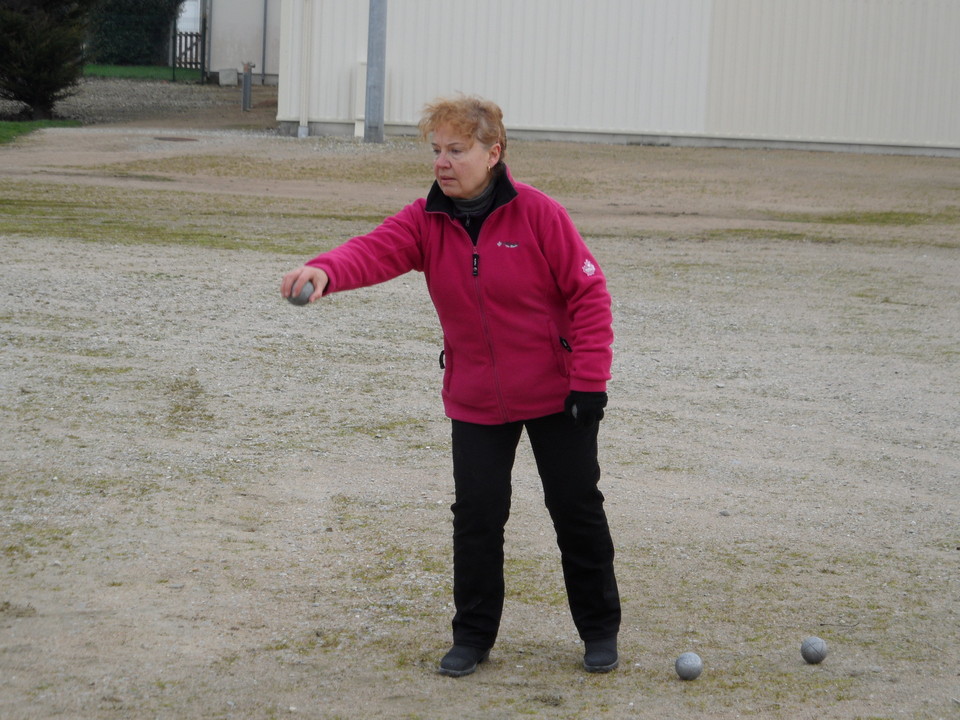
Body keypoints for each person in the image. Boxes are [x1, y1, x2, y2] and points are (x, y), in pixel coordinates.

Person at [281, 95, 621, 677]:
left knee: (576, 510)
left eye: (456, 150)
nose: (442, 162)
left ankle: (598, 632)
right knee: (478, 518)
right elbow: (373, 250)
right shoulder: (425, 220)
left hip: (556, 394)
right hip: (477, 397)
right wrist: (325, 269)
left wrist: (589, 381)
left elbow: (590, 295)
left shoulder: (539, 214)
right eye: (437, 150)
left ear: (494, 153)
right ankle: (472, 638)